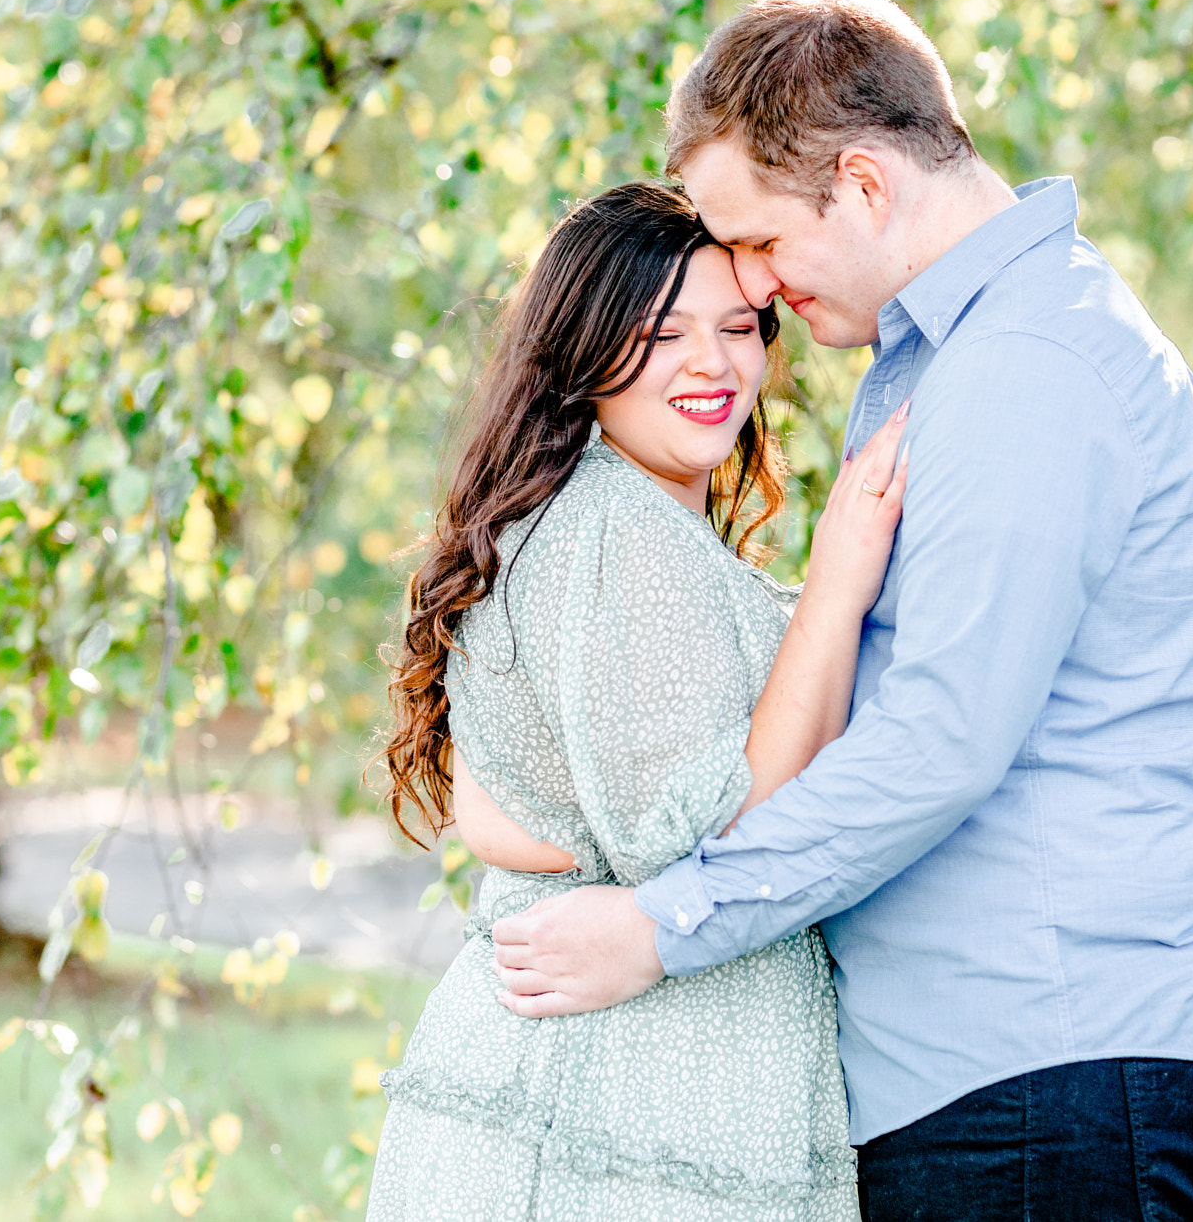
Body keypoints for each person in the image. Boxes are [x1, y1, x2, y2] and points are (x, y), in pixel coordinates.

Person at [485, 0, 1193, 1220]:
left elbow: (938, 743)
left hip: (1036, 1071)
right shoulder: (952, 357)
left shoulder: (1023, 371)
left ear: (860, 184)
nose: (747, 283)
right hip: (989, 1074)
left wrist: (661, 927)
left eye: (756, 239)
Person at [366, 180, 911, 1219]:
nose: (712, 365)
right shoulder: (613, 527)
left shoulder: (587, 522)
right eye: (662, 334)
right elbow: (703, 839)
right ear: (585, 351)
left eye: (739, 327)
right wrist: (836, 591)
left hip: (609, 1096)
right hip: (619, 1114)